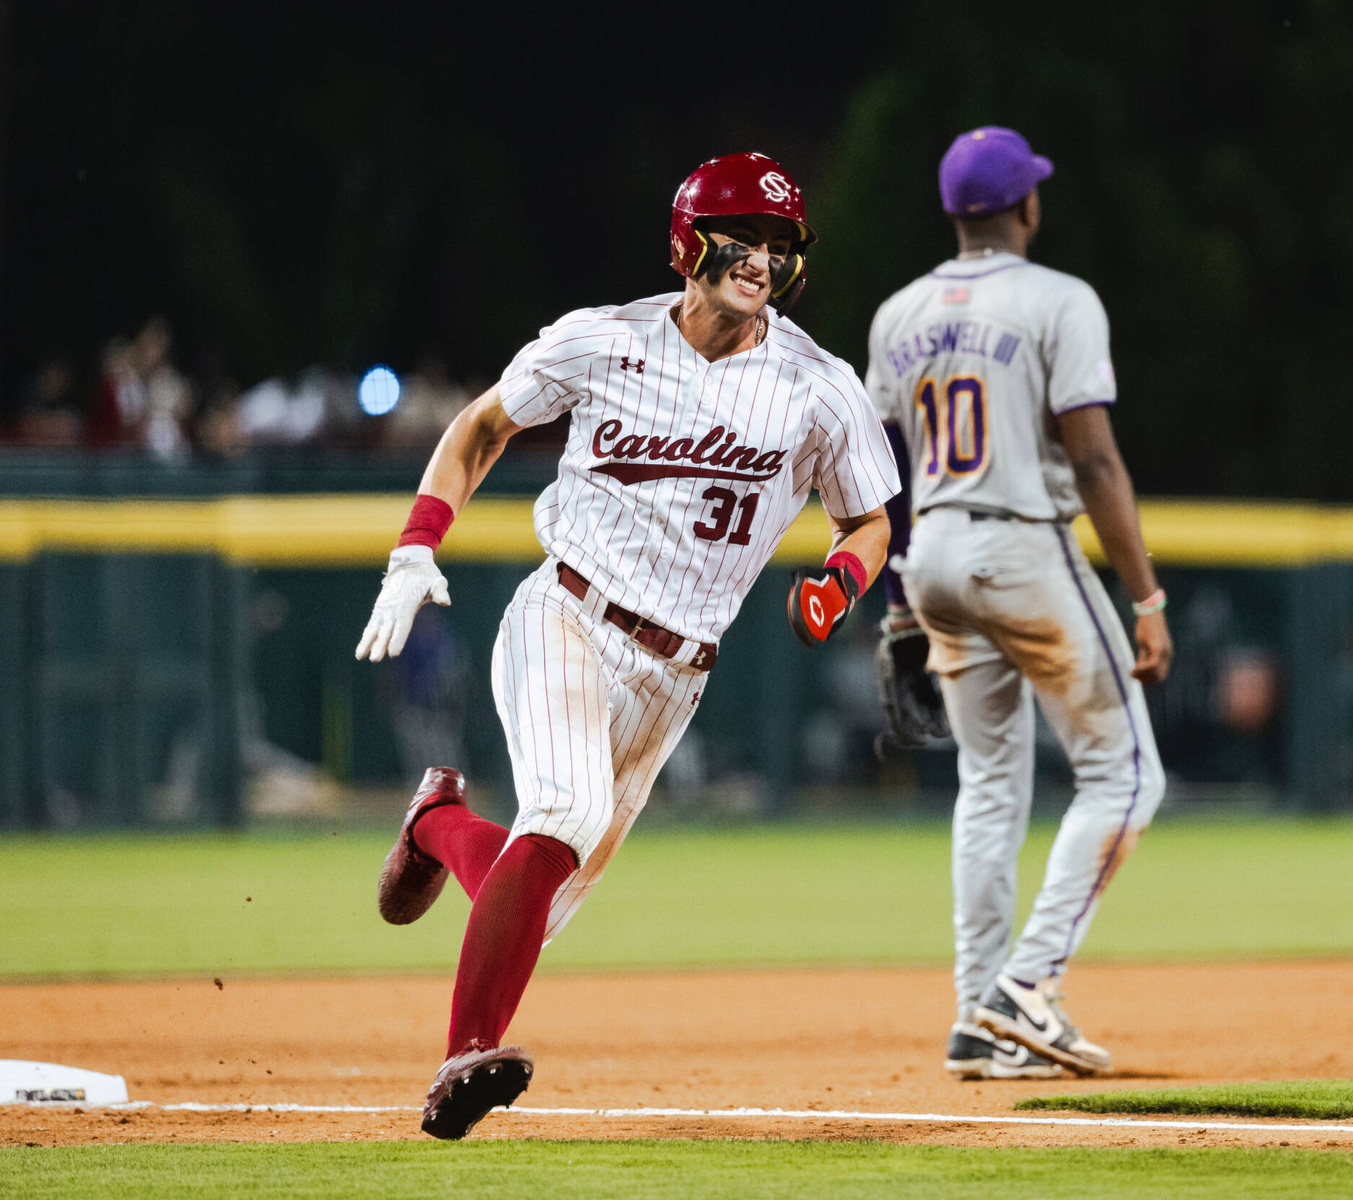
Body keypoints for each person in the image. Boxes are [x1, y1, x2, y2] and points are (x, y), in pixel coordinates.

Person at [354, 152, 897, 1139]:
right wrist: (415, 544)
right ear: (692, 239)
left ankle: (436, 822)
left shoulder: (820, 385)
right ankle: (459, 1062)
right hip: (567, 614)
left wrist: (839, 584)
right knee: (560, 811)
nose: (763, 259)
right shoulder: (603, 341)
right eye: (745, 235)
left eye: (780, 243)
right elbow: (480, 428)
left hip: (678, 676)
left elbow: (869, 521)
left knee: (535, 906)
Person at [866, 127, 1173, 1080]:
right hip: (1021, 544)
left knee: (990, 784)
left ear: (956, 214)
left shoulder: (897, 313)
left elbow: (881, 476)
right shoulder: (1059, 300)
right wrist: (1147, 596)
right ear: (1027, 207)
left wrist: (899, 600)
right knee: (1126, 776)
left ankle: (973, 1018)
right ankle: (1027, 988)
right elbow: (1093, 458)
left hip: (936, 557)